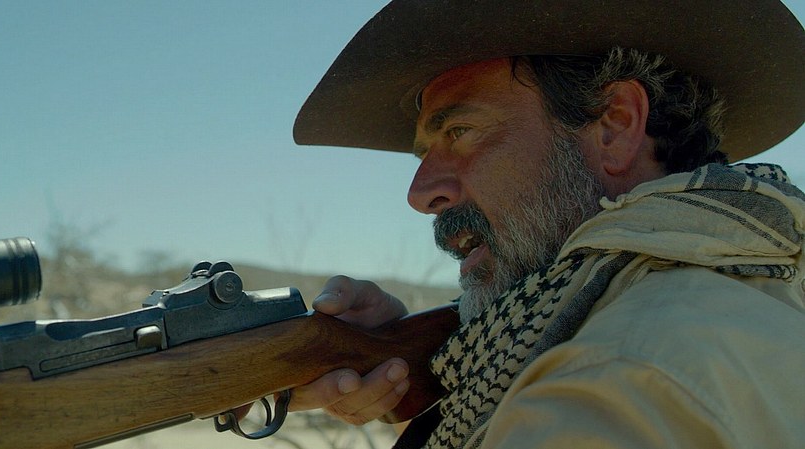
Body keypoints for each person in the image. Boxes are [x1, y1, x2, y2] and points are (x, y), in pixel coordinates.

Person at [288, 1, 805, 448]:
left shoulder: (612, 379)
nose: (420, 193)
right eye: (425, 154)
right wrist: (423, 364)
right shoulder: (747, 301)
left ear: (616, 126)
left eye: (460, 131)